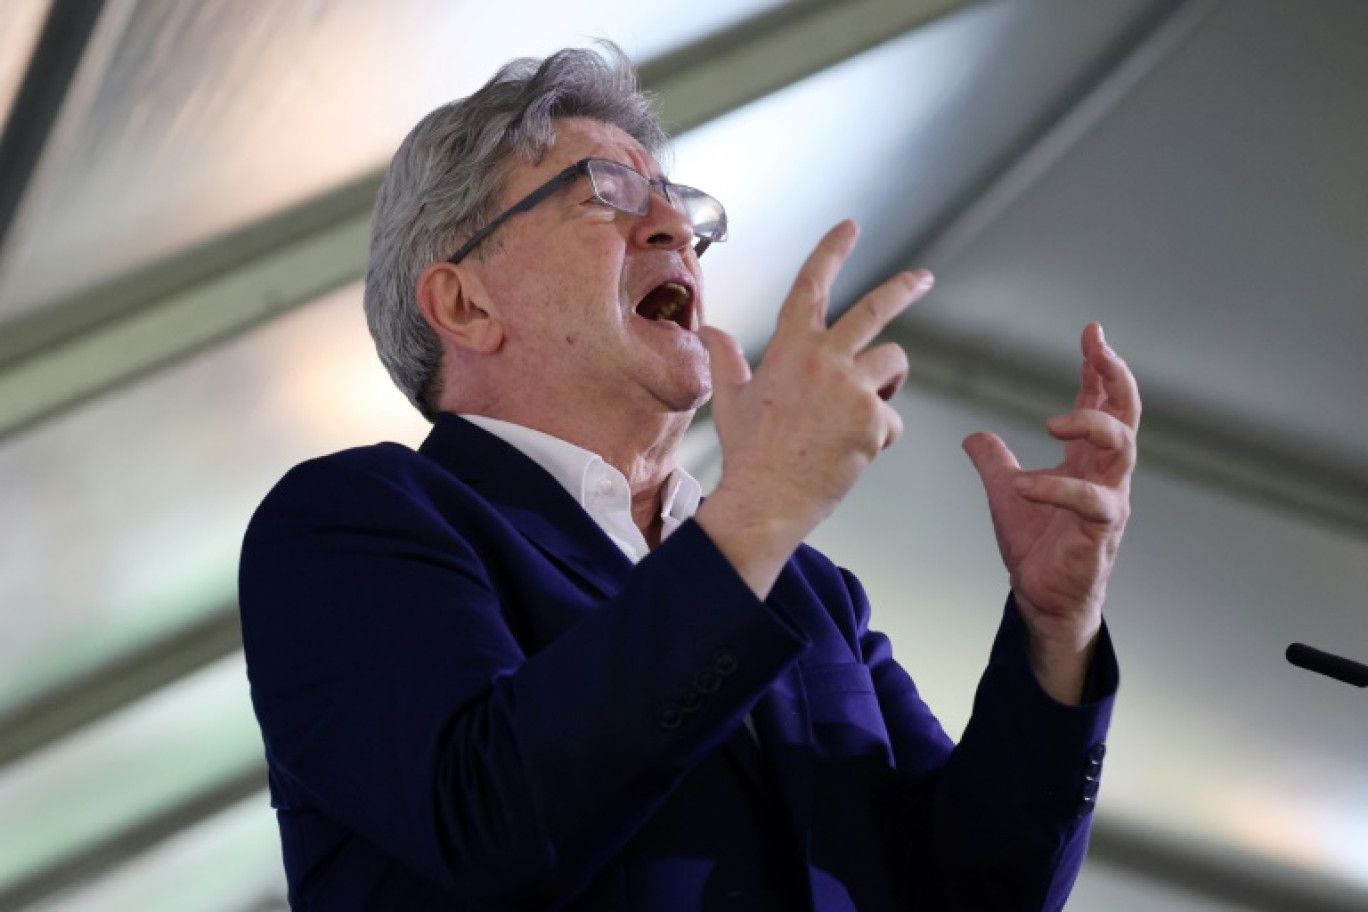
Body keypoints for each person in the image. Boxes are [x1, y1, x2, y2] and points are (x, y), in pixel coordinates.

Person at [239, 42, 1139, 911]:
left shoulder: (812, 593)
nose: (676, 230)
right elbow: (490, 822)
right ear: (464, 303)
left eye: (679, 208)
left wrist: (1055, 631)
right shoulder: (351, 523)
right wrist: (761, 510)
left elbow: (971, 891)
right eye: (608, 195)